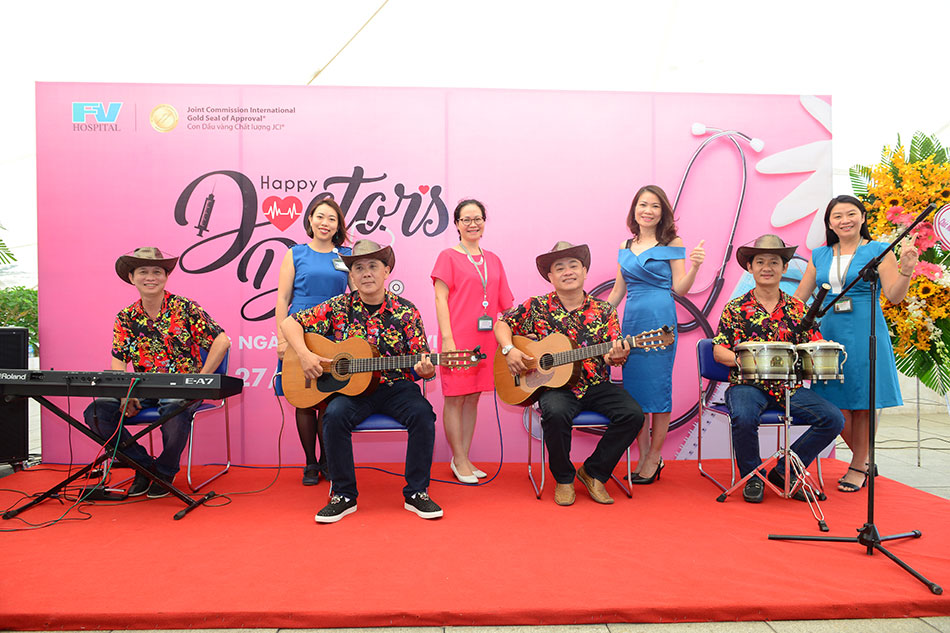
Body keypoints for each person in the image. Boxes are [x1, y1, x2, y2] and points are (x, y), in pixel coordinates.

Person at [281, 239, 442, 523]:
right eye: (358, 268)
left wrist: (427, 370)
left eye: (373, 266)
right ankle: (343, 495)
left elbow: (422, 362)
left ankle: (417, 492)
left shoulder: (407, 311)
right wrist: (305, 355)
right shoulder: (338, 306)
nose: (366, 273)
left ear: (386, 271)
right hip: (353, 390)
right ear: (351, 276)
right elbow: (289, 323)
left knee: (423, 414)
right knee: (334, 416)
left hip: (396, 387)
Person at [494, 241, 643, 506]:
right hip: (554, 387)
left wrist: (616, 356)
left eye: (573, 265)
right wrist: (509, 349)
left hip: (595, 384)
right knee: (555, 413)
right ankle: (564, 478)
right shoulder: (536, 306)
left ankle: (594, 472)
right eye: (559, 268)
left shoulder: (604, 311)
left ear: (584, 271)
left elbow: (612, 353)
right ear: (550, 277)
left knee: (633, 415)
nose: (568, 272)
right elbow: (502, 324)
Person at [794, 195, 918, 492]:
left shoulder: (878, 250)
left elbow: (894, 296)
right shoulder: (819, 255)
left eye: (851, 214)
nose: (845, 220)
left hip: (865, 330)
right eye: (837, 216)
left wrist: (906, 269)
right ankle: (865, 459)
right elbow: (798, 300)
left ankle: (857, 465)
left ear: (863, 217)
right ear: (829, 224)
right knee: (834, 403)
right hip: (828, 334)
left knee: (863, 402)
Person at [83, 247, 230, 498]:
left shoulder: (185, 307)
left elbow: (222, 341)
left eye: (157, 271)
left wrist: (200, 379)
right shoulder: (125, 317)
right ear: (132, 277)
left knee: (173, 407)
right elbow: (119, 359)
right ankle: (143, 466)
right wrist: (124, 392)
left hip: (182, 387)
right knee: (96, 413)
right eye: (143, 271)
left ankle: (164, 470)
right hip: (141, 387)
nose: (150, 277)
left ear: (165, 276)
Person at [712, 235, 844, 504]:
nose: (767, 267)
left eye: (774, 262)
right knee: (744, 416)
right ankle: (752, 477)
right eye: (760, 262)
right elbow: (719, 351)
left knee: (833, 419)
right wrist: (747, 362)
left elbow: (813, 345)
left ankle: (785, 470)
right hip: (747, 384)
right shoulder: (735, 308)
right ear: (750, 267)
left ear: (784, 268)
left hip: (789, 387)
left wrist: (822, 348)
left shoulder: (798, 308)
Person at [606, 185, 705, 484]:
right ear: (634, 209)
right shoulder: (625, 245)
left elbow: (680, 289)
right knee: (634, 394)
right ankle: (643, 454)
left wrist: (695, 267)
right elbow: (617, 292)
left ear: (663, 213)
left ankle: (655, 456)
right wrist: (595, 318)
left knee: (658, 390)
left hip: (661, 321)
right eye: (642, 204)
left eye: (655, 206)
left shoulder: (672, 242)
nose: (647, 211)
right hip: (632, 321)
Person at [431, 199, 513, 483]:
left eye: (477, 218)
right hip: (457, 338)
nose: (472, 224)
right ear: (457, 224)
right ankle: (459, 459)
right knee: (455, 398)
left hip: (486, 340)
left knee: (474, 397)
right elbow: (440, 299)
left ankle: (463, 458)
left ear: (484, 222)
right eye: (466, 219)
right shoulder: (447, 257)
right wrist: (448, 340)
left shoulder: (494, 259)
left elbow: (505, 305)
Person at [275, 198, 352, 486]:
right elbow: (283, 298)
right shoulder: (295, 253)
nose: (325, 223)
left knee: (330, 400)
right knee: (304, 399)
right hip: (299, 332)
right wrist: (282, 339)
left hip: (334, 334)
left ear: (338, 225)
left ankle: (327, 460)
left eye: (331, 218)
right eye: (320, 217)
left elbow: (356, 296)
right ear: (310, 220)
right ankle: (310, 462)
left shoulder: (346, 255)